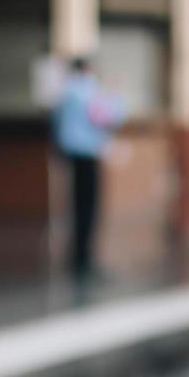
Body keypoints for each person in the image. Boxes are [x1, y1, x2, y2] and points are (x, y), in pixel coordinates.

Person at [52, 56, 125, 278]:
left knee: (77, 206)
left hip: (71, 154)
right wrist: (116, 96)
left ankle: (78, 257)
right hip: (87, 154)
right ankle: (84, 260)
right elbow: (108, 117)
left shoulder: (65, 94)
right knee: (88, 208)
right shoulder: (86, 93)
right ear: (87, 71)